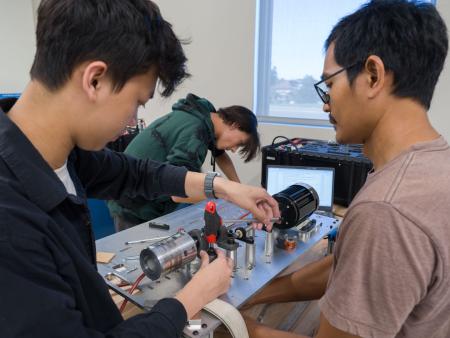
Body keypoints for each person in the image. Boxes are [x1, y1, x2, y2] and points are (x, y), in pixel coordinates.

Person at [0, 1, 279, 337]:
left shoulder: (61, 153)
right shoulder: (11, 223)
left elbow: (141, 174)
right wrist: (190, 299)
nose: (134, 121)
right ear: (96, 80)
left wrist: (226, 188)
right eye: (137, 102)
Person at [243, 1, 450, 337]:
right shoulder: (433, 164)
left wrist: (237, 328)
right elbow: (347, 271)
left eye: (329, 86)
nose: (326, 104)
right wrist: (254, 294)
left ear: (373, 75)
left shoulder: (386, 210)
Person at [108, 93, 260, 229]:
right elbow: (177, 191)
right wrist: (228, 195)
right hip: (132, 203)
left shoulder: (207, 116)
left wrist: (239, 189)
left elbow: (220, 154)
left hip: (137, 188)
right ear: (234, 125)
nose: (234, 149)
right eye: (239, 143)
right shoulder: (196, 132)